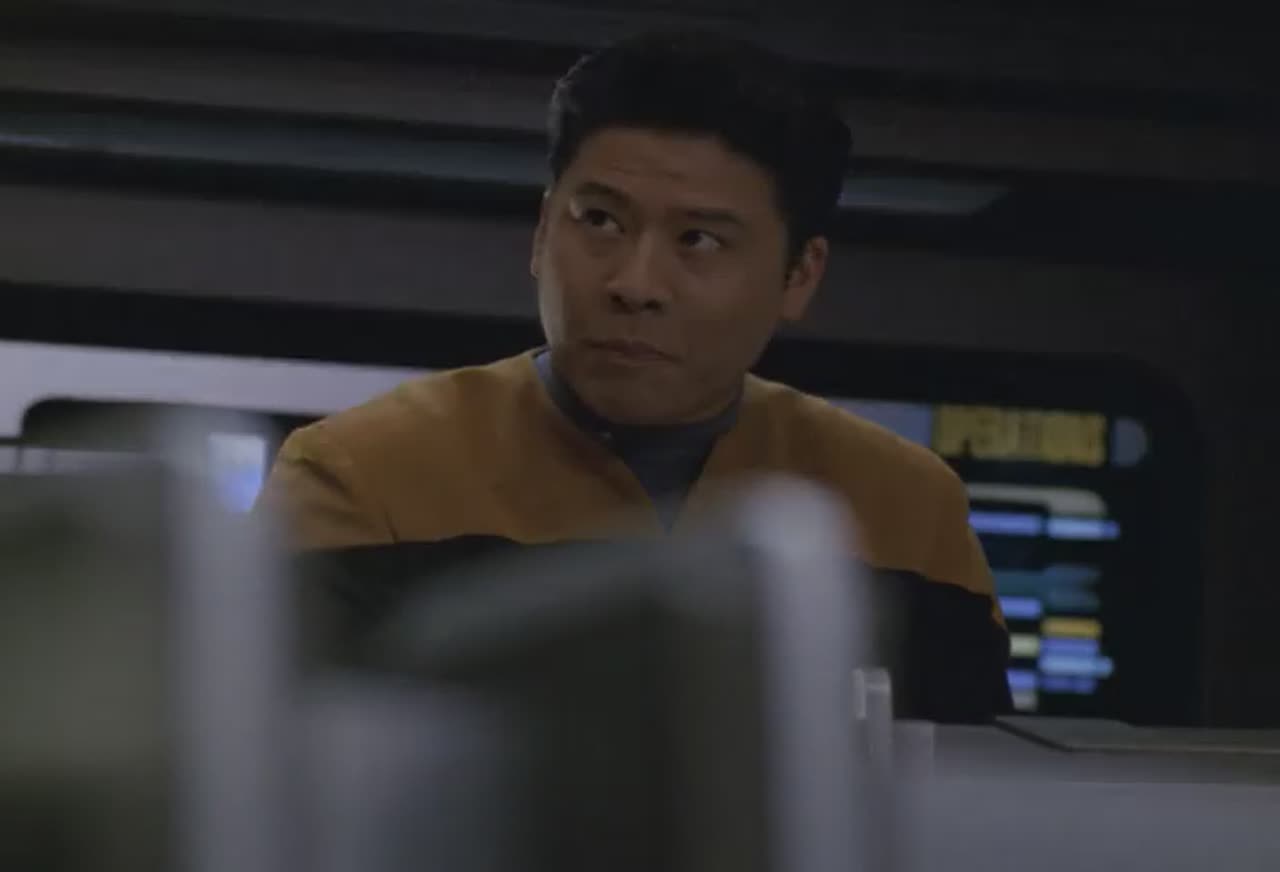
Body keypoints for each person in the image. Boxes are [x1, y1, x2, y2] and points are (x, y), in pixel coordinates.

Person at [258, 30, 1010, 721]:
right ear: (542, 230)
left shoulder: (908, 506)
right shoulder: (361, 475)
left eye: (699, 240)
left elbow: (969, 792)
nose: (635, 283)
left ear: (799, 275)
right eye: (600, 221)